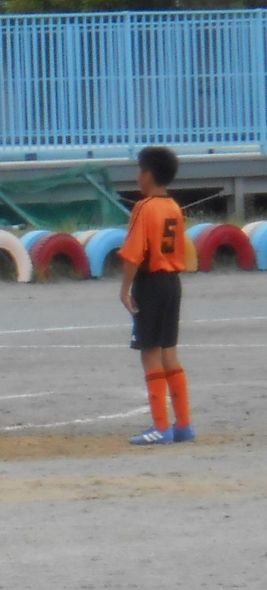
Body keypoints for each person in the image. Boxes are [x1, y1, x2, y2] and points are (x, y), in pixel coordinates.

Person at [118, 146, 194, 446]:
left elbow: (134, 253)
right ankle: (183, 424)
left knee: (149, 352)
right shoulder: (173, 206)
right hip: (172, 282)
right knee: (169, 351)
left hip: (150, 283)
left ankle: (160, 427)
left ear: (147, 175)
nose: (137, 176)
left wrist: (125, 289)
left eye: (139, 170)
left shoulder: (144, 207)